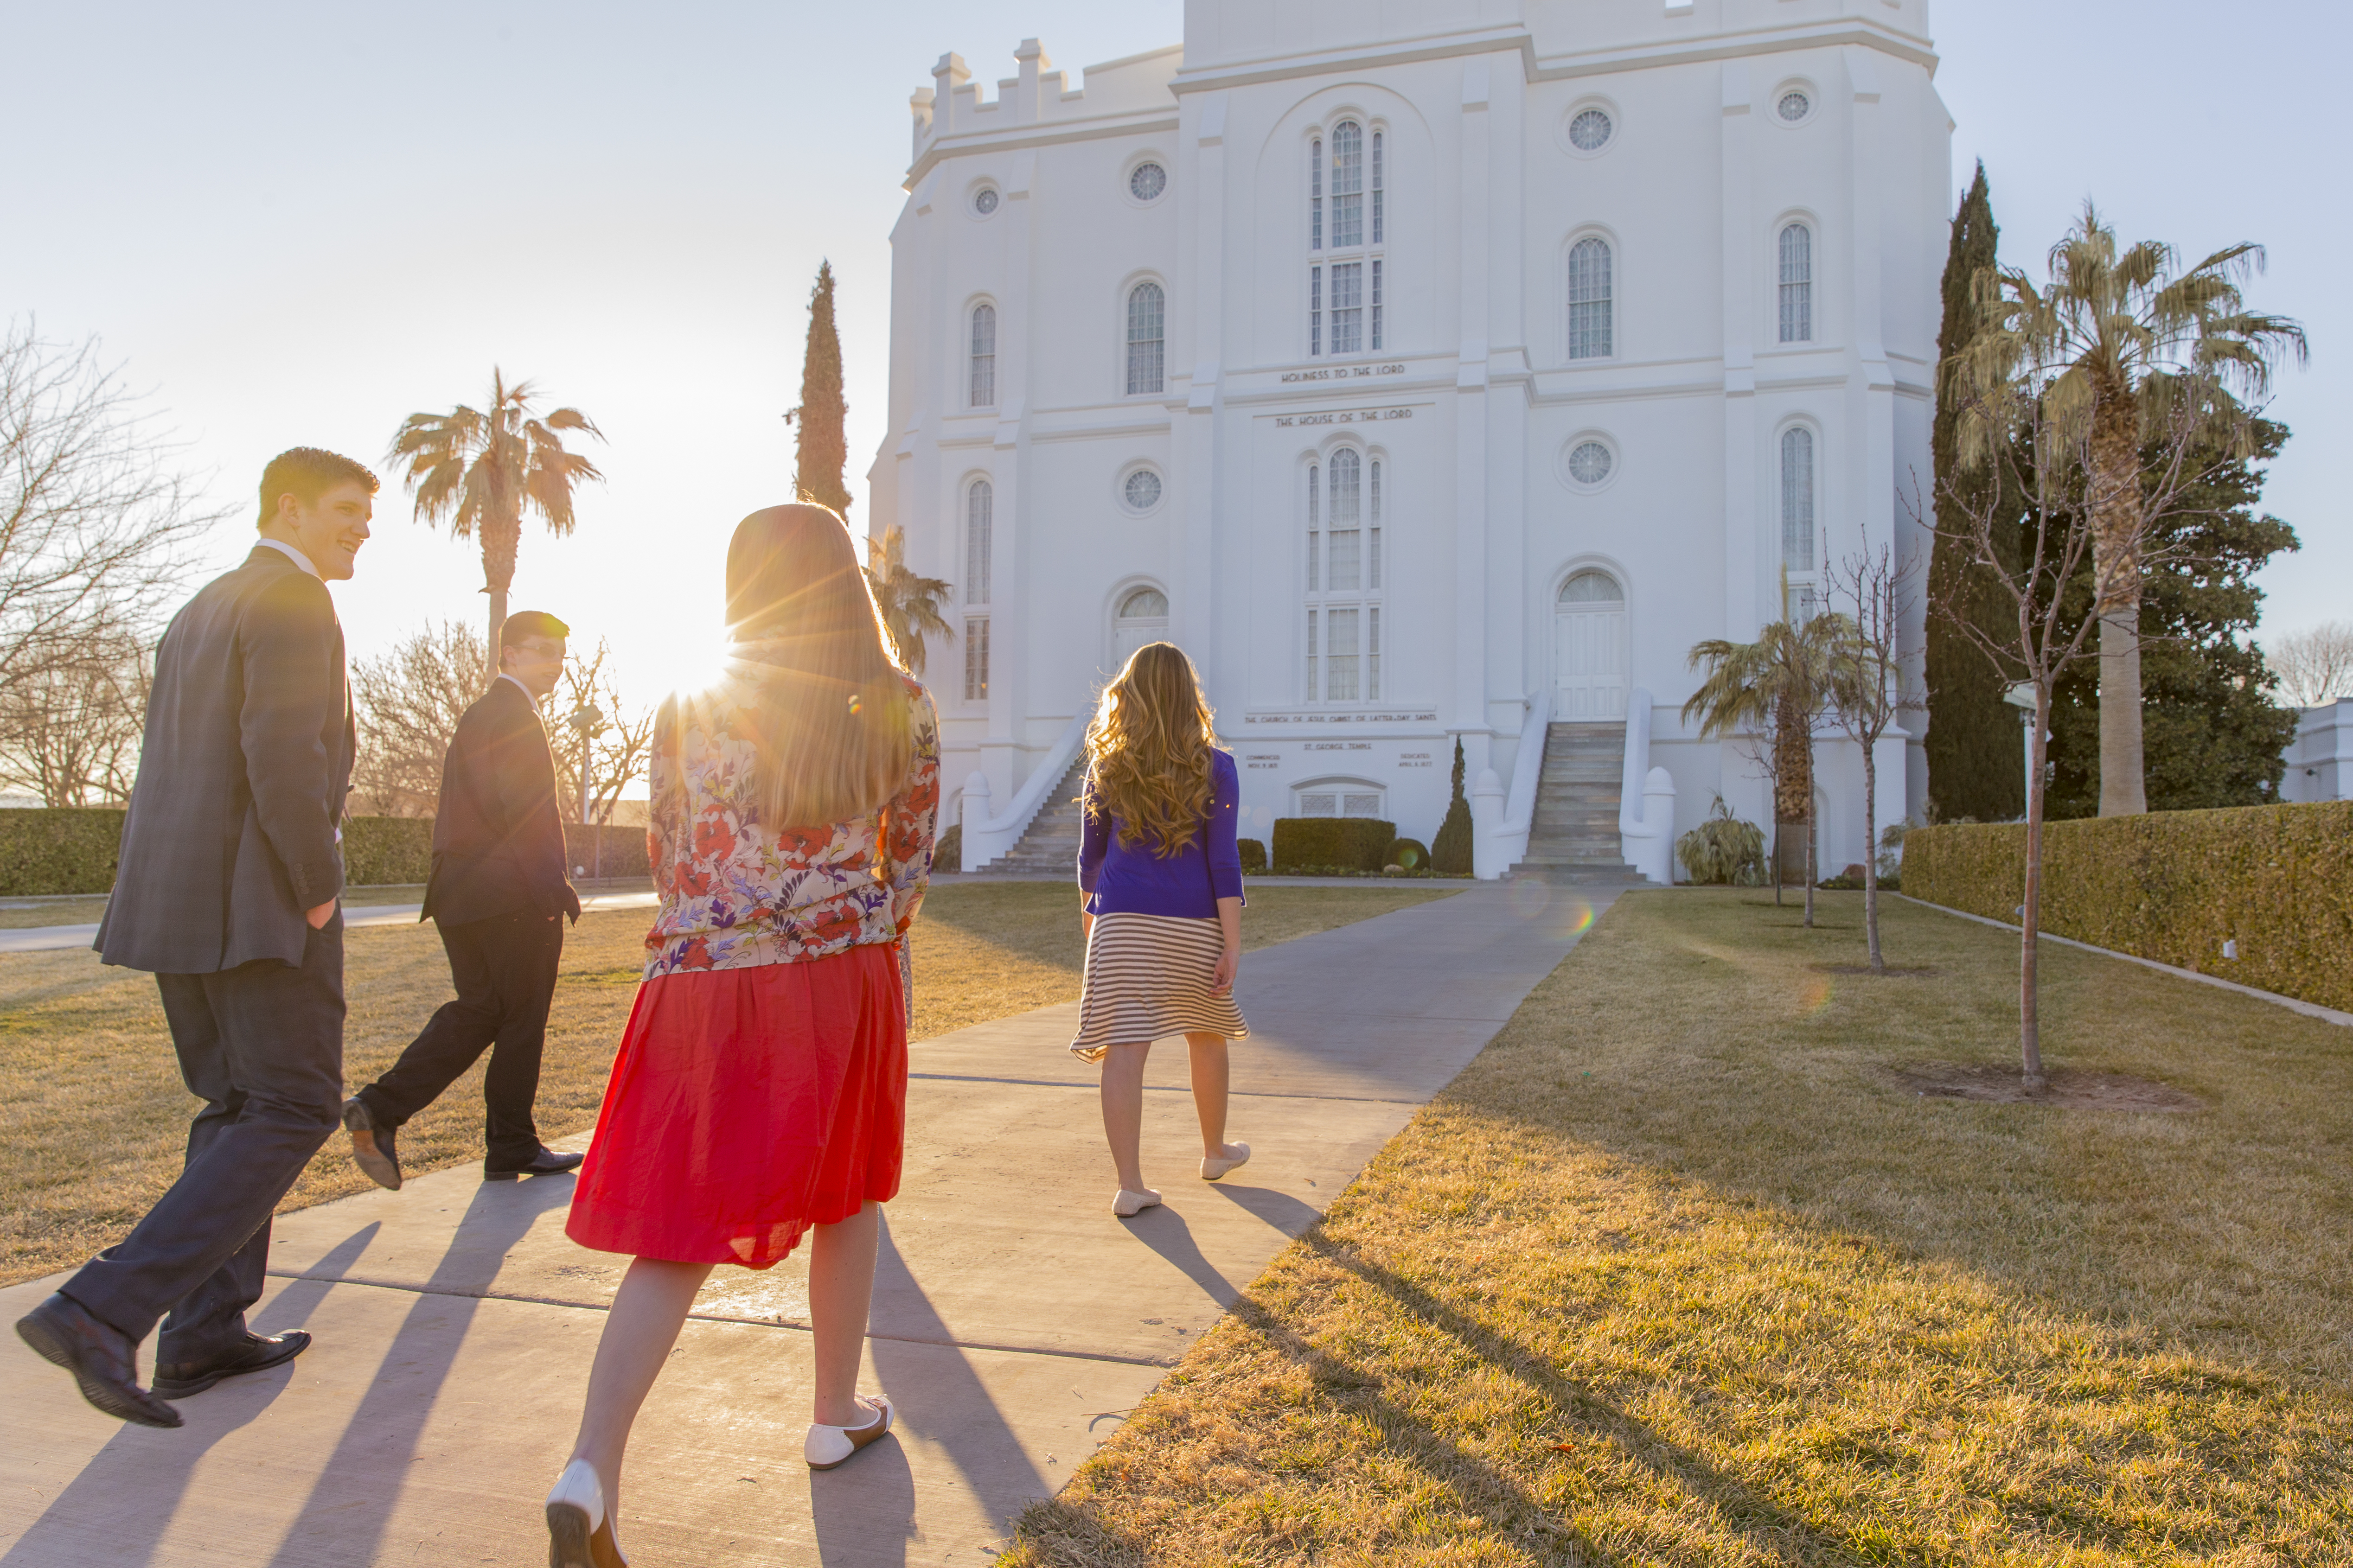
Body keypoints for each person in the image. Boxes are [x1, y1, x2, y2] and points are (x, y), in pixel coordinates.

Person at [542, 503, 937, 1567]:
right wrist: (851, 930)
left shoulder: (691, 699)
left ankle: (589, 1468)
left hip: (701, 982)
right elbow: (908, 858)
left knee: (677, 1228)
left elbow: (667, 843)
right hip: (838, 973)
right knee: (847, 1189)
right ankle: (831, 1407)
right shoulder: (897, 703)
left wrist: (722, 928)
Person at [14, 447, 374, 1428]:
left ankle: (205, 1330)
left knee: (236, 1106)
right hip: (258, 905)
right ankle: (101, 1309)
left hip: (177, 905)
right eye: (346, 509)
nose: (362, 528)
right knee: (296, 1105)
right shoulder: (295, 603)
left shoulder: (202, 604)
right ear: (289, 509)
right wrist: (316, 884)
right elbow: (283, 752)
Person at [340, 609, 587, 1188]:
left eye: (560, 654)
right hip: (511, 898)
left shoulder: (479, 716)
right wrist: (553, 886)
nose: (554, 664)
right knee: (522, 1018)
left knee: (481, 1009)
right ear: (509, 656)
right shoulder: (515, 716)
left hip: (460, 894)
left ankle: (396, 1112)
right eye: (541, 651)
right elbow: (524, 812)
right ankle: (500, 1140)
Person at [1068, 641, 1251, 1218]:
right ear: (1187, 695)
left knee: (1125, 1047)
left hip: (1121, 923)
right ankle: (1215, 1151)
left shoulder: (1109, 765)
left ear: (1133, 694)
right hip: (1195, 926)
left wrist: (1092, 923)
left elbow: (1088, 859)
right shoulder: (1216, 767)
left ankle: (1130, 1183)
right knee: (1206, 1033)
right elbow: (1224, 863)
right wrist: (1232, 941)